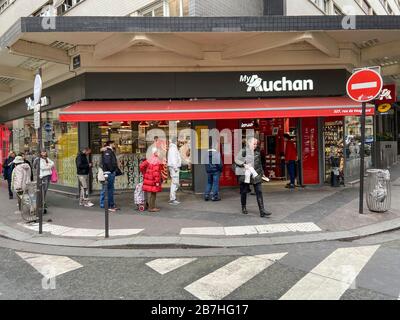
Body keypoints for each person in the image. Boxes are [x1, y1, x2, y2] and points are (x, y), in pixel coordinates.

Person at [235, 137, 271, 218]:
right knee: (244, 192)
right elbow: (236, 160)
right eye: (254, 144)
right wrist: (244, 164)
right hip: (246, 175)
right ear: (249, 143)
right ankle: (243, 207)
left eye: (256, 144)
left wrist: (263, 174)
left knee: (259, 191)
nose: (255, 145)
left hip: (256, 174)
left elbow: (260, 164)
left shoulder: (257, 151)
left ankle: (262, 211)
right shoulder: (244, 150)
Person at [140, 147, 163, 212]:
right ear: (155, 153)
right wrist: (157, 182)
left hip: (149, 179)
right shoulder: (156, 160)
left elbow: (141, 166)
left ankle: (151, 206)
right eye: (158, 152)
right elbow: (156, 173)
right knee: (153, 193)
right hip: (153, 180)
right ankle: (151, 207)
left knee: (152, 193)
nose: (159, 153)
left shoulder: (149, 159)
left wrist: (145, 173)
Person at [100, 141, 119, 212]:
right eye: (114, 144)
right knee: (108, 189)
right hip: (109, 173)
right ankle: (107, 204)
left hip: (109, 172)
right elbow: (107, 162)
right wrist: (111, 170)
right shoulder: (107, 151)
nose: (115, 145)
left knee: (109, 189)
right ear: (110, 144)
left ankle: (110, 204)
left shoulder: (109, 151)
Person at [167, 136, 182, 205]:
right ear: (175, 141)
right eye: (178, 140)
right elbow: (173, 159)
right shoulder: (173, 148)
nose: (179, 142)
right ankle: (172, 199)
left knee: (175, 183)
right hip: (174, 168)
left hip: (174, 168)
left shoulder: (173, 148)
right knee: (174, 183)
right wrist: (176, 168)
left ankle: (173, 198)